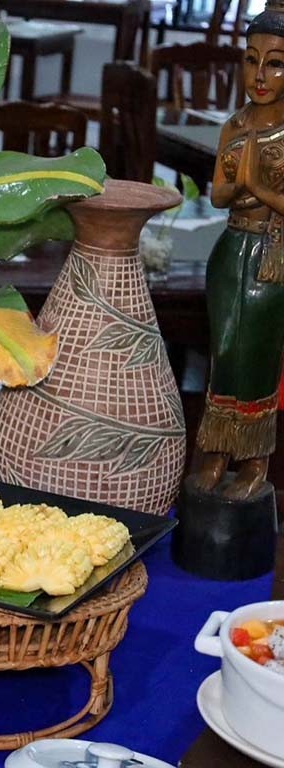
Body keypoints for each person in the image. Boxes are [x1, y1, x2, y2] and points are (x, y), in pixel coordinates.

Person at [194, 5, 284, 500]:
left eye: (275, 63)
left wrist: (253, 185)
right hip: (231, 249)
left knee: (257, 360)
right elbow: (218, 195)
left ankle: (254, 463)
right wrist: (241, 187)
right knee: (224, 355)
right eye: (251, 60)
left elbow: (251, 189)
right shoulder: (235, 125)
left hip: (271, 257)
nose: (260, 75)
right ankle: (215, 454)